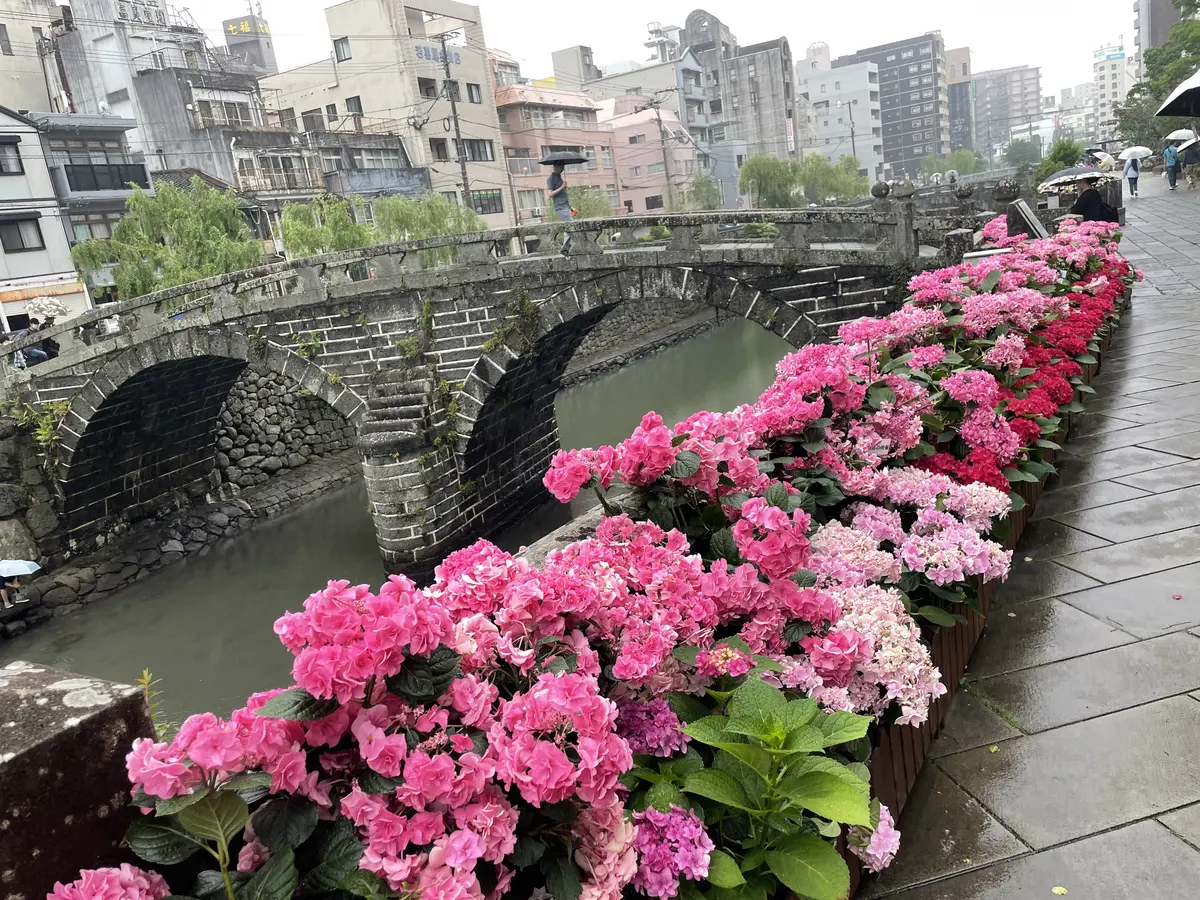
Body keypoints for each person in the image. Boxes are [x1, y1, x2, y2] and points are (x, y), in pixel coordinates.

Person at [546, 163, 573, 256]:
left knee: (568, 227)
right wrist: (562, 187)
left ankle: (566, 248)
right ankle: (565, 248)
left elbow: (562, 195)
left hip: (565, 206)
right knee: (571, 226)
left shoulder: (559, 178)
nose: (561, 168)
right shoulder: (551, 179)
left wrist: (570, 207)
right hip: (560, 207)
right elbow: (550, 194)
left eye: (562, 167)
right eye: (560, 166)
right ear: (555, 167)